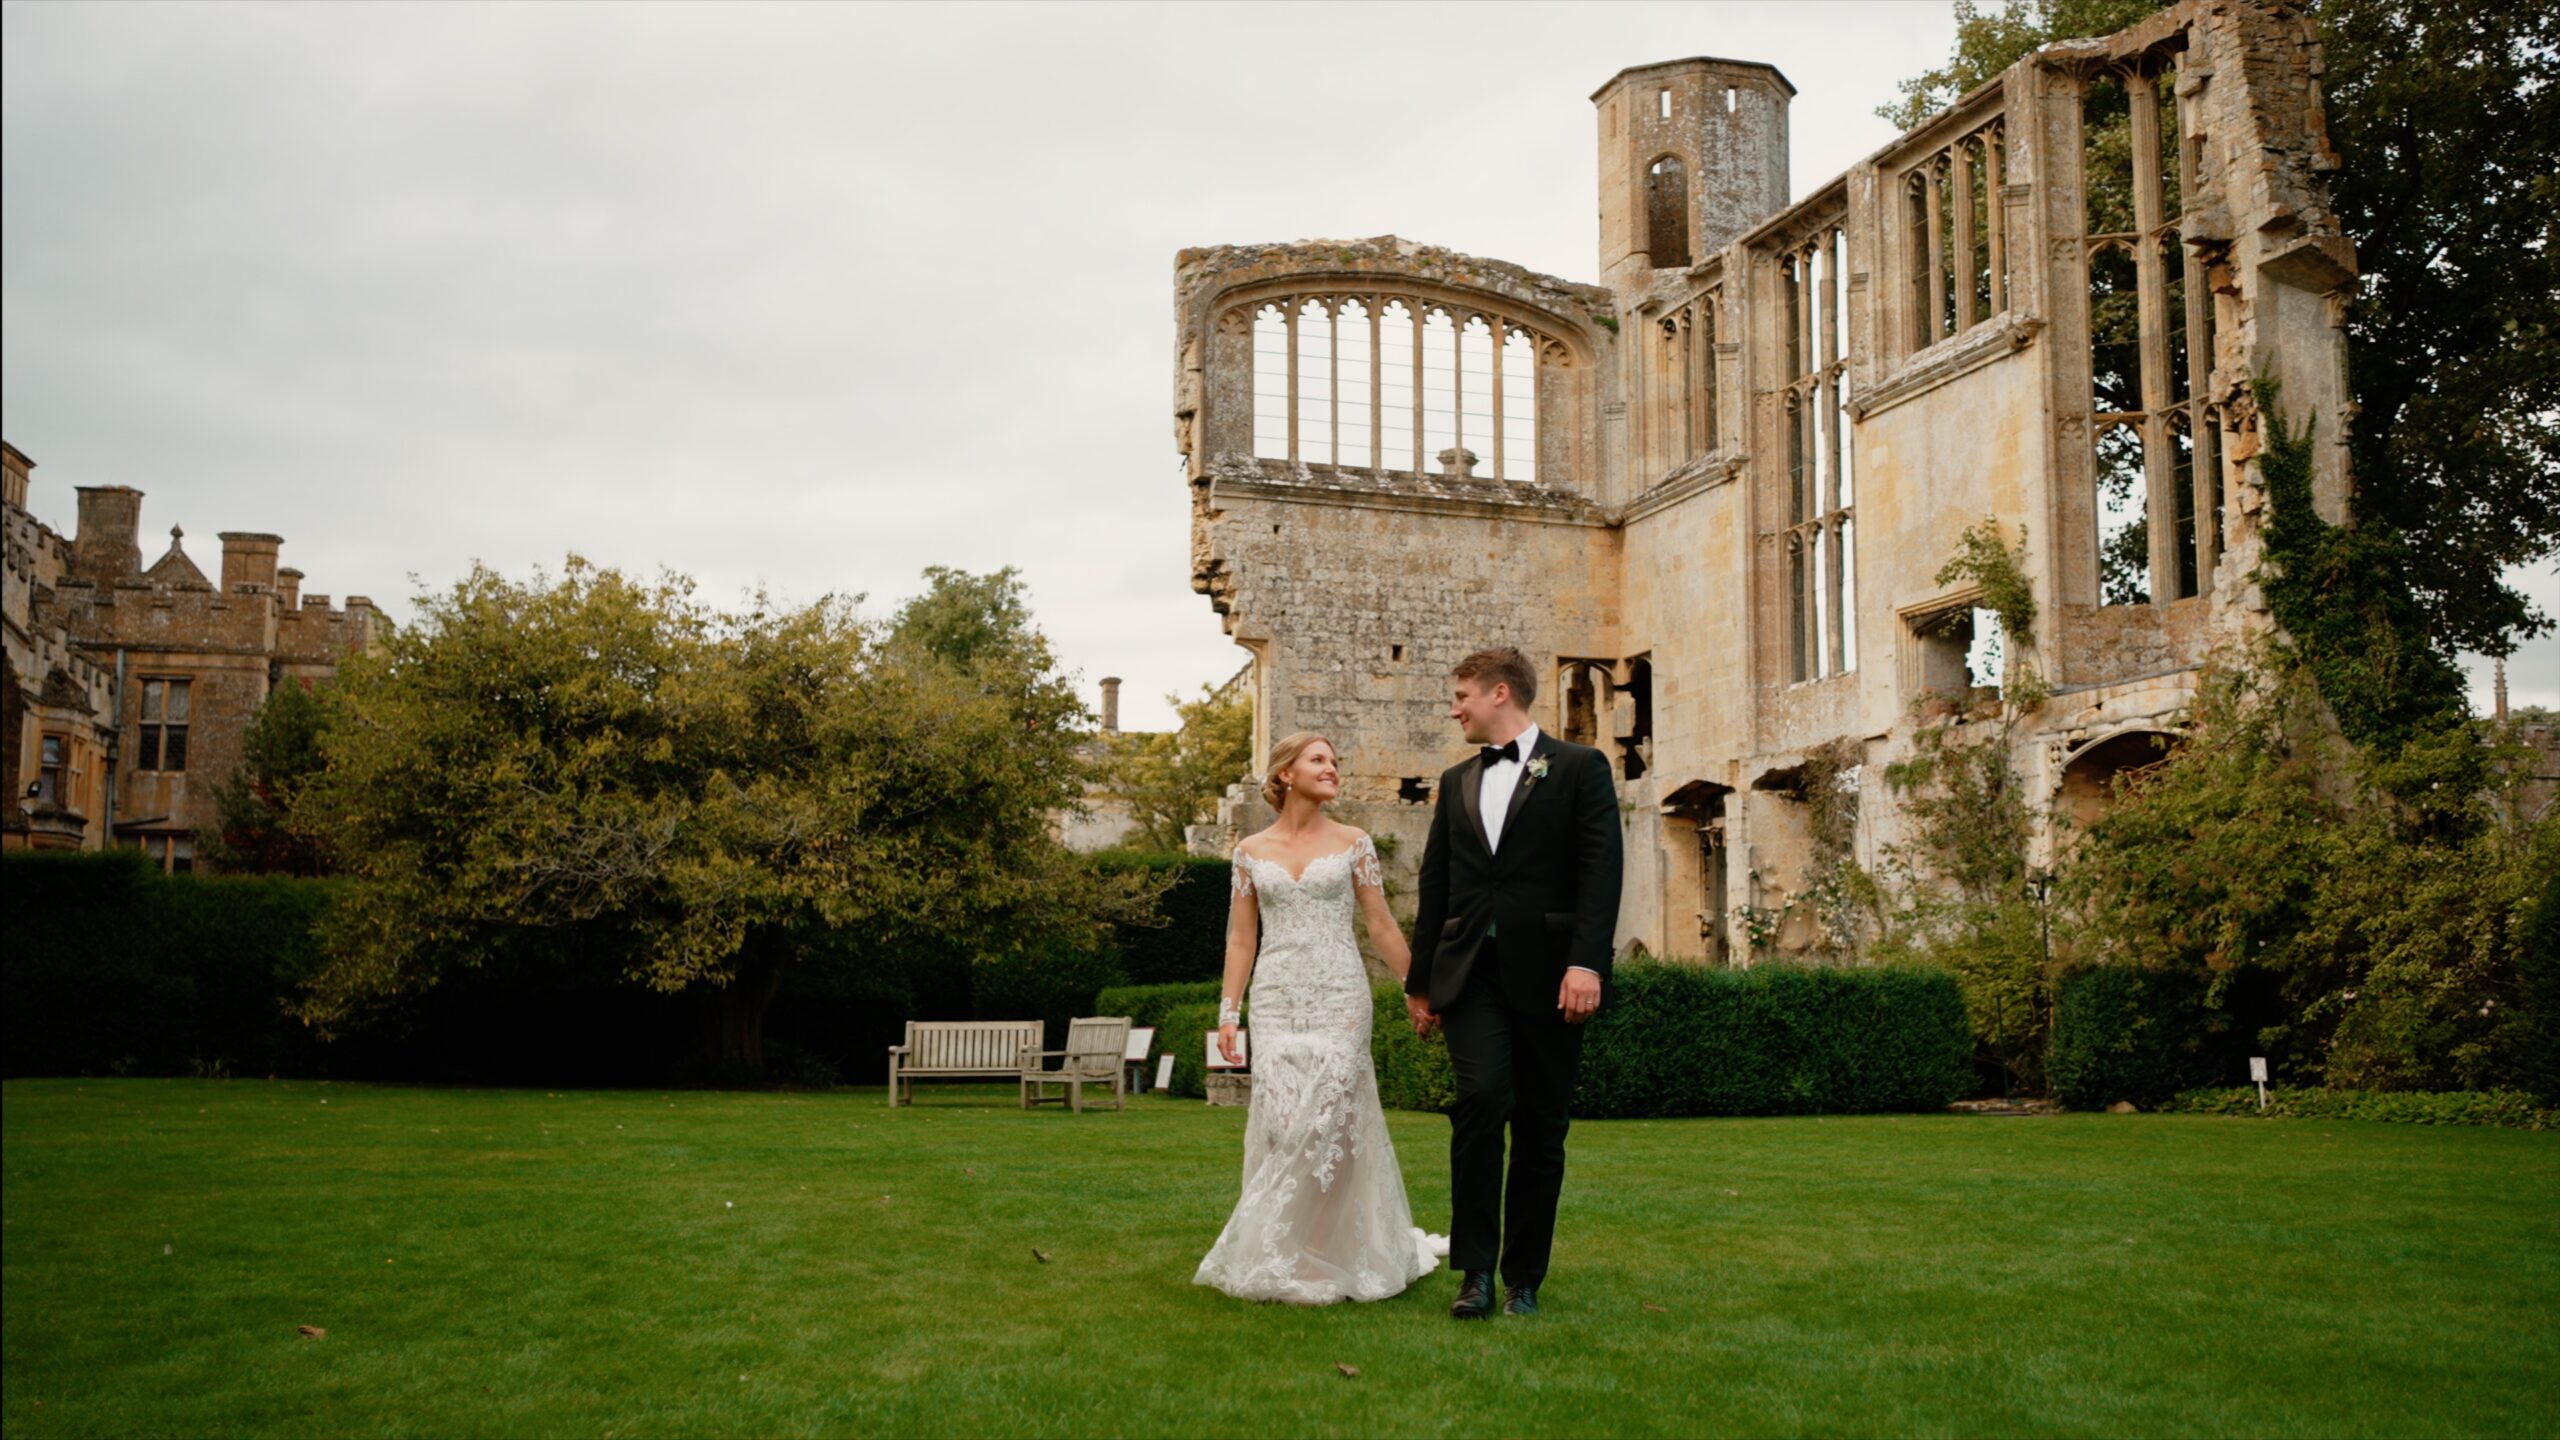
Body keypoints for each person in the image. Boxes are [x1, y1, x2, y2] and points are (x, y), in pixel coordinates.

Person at [1405, 647, 1623, 1319]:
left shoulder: (1582, 768)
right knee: (1480, 1102)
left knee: (1540, 1127)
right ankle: (1474, 1273)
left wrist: (1587, 963)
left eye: (1462, 695)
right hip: (1470, 974)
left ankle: (1523, 1277)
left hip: (1555, 975)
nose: (1454, 707)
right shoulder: (1455, 779)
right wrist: (1420, 983)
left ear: (1500, 693)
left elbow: (1600, 870)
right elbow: (1436, 884)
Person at [1194, 731, 1446, 1303]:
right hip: (1279, 998)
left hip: (1340, 997)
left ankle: (1328, 1258)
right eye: (1318, 760)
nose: (1332, 769)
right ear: (1285, 774)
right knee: (1286, 1124)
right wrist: (1230, 1014)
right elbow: (1240, 939)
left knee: (1332, 1121)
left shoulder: (1355, 842)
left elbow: (1380, 926)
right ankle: (1289, 1251)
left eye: (1335, 760)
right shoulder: (1250, 852)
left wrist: (1417, 991)